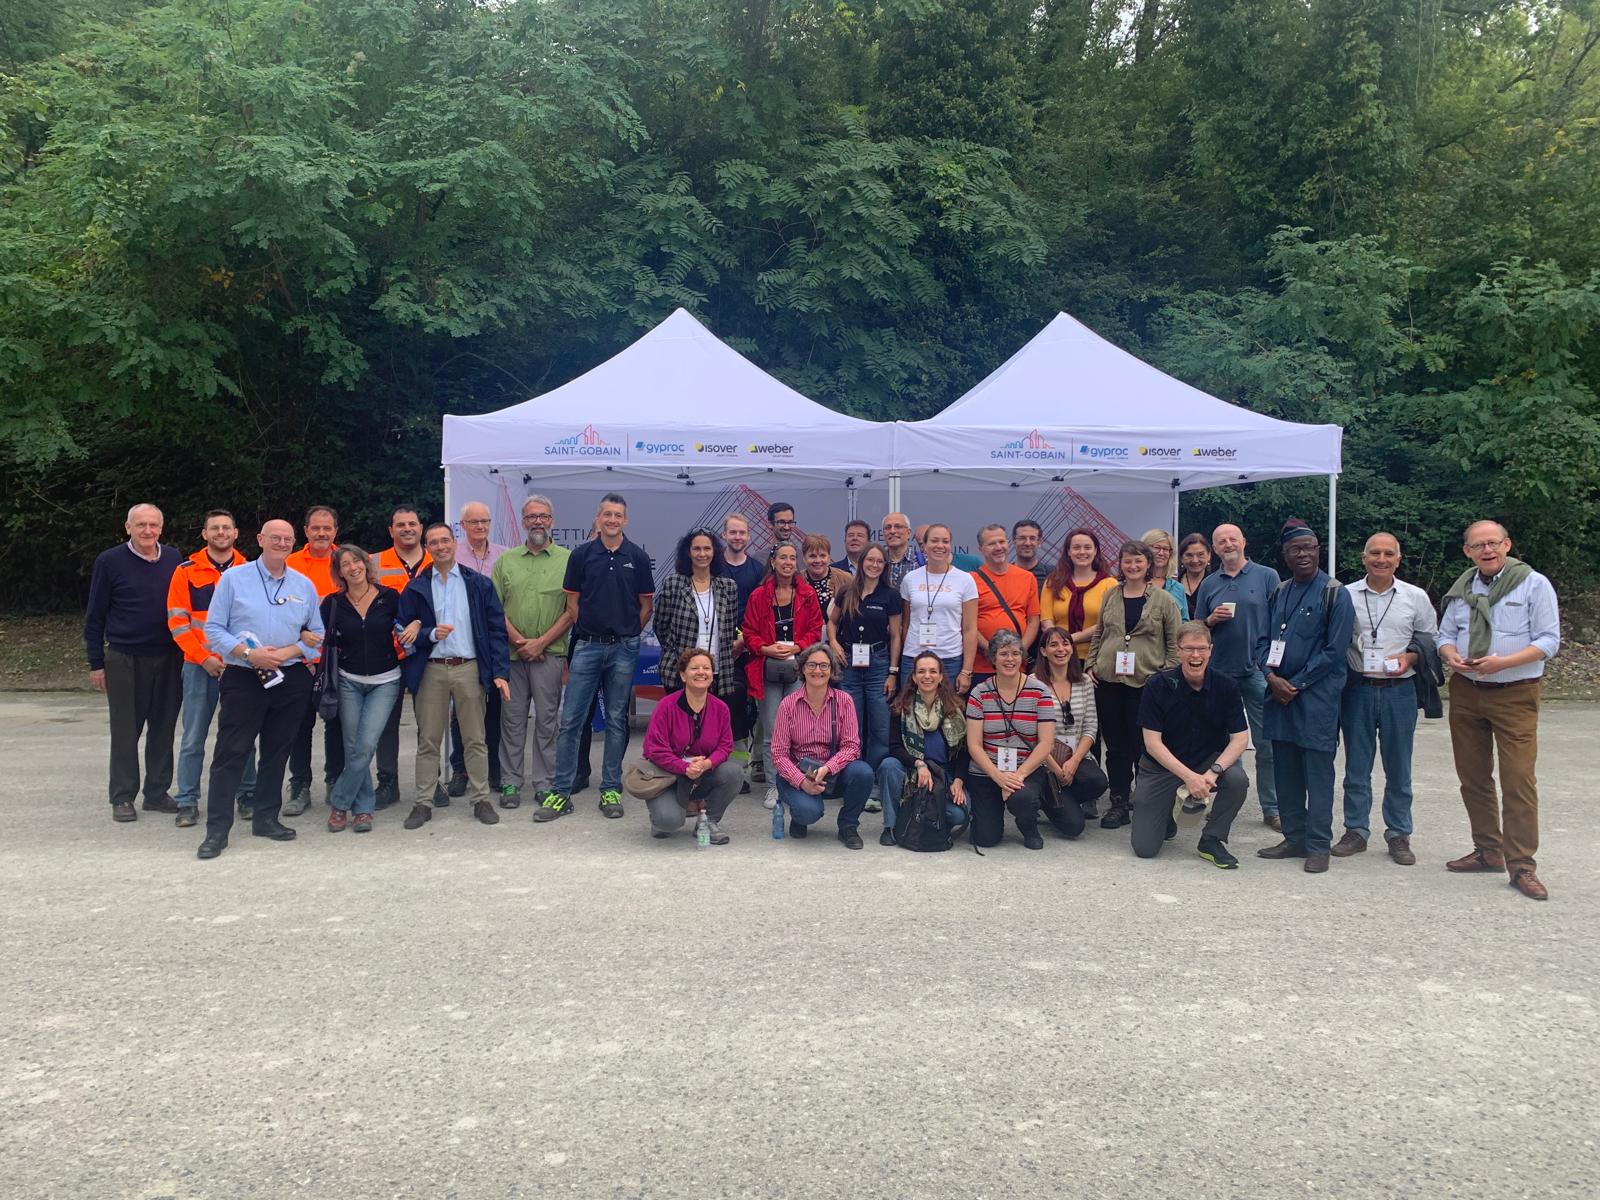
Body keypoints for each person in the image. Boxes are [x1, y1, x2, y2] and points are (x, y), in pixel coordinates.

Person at [1439, 521, 1561, 901]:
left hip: (1515, 692)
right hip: (1467, 690)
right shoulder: (1462, 589)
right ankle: (1488, 850)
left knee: (1518, 780)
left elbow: (1549, 640)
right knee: (1473, 777)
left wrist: (1503, 663)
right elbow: (1444, 634)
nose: (1487, 550)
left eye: (1493, 543)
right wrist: (1450, 656)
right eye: (1478, 545)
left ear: (1507, 545)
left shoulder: (1534, 584)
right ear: (1468, 552)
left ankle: (1522, 865)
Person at [195, 519, 324, 860]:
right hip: (244, 676)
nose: (281, 543)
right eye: (275, 537)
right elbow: (213, 630)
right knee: (231, 752)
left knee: (277, 750)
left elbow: (316, 636)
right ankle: (217, 831)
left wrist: (286, 652)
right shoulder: (233, 579)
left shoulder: (304, 585)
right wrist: (251, 654)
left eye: (287, 539)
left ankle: (266, 818)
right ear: (260, 540)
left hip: (290, 677)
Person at [536, 493, 655, 822]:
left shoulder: (638, 558)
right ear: (598, 519)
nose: (612, 520)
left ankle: (611, 789)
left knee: (617, 720)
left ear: (625, 520)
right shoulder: (582, 555)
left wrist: (628, 633)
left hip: (623, 648)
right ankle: (561, 792)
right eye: (607, 514)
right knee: (571, 719)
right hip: (587, 646)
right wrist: (592, 630)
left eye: (618, 515)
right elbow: (572, 603)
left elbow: (646, 607)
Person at [1255, 520, 1355, 874]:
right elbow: (1263, 641)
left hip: (1315, 699)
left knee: (1317, 773)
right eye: (1296, 549)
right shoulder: (1279, 592)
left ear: (1318, 549)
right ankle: (1294, 838)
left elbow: (1334, 651)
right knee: (1285, 771)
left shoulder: (1335, 593)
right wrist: (1269, 676)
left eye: (1309, 547)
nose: (1303, 554)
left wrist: (1293, 684)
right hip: (1278, 696)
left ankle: (1317, 845)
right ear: (1285, 555)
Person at [397, 523, 511, 830]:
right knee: (428, 740)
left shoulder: (478, 584)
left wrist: (500, 672)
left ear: (454, 542)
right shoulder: (416, 587)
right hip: (431, 669)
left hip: (469, 668)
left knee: (475, 738)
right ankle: (423, 803)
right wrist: (428, 633)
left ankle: (481, 799)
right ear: (427, 547)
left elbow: (497, 630)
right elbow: (402, 632)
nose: (439, 546)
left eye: (444, 540)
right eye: (432, 542)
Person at [1334, 532, 1438, 866]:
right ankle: (1356, 831)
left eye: (1388, 553)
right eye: (1374, 553)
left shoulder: (1415, 597)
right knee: (1356, 767)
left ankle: (1398, 834)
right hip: (1358, 689)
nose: (1381, 559)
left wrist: (1409, 659)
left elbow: (1429, 639)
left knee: (1399, 767)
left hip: (1399, 691)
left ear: (1398, 558)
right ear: (1363, 557)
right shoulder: (1345, 595)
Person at [85, 503, 184, 823]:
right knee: (126, 730)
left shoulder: (173, 558)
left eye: (153, 524)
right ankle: (123, 796)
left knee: (164, 727)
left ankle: (156, 792)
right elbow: (95, 616)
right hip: (125, 657)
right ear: (127, 527)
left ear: (161, 528)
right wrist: (96, 663)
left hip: (169, 656)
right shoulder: (110, 561)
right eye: (140, 524)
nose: (147, 530)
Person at [1131, 621, 1251, 867]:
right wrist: (1189, 778)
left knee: (1237, 779)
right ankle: (1167, 814)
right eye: (1189, 649)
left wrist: (1212, 772)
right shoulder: (1156, 685)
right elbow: (1152, 743)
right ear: (1178, 651)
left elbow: (1240, 739)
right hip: (1161, 767)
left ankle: (1212, 839)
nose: (1195, 655)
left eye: (1201, 649)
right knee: (1145, 848)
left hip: (1206, 762)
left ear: (1210, 650)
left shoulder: (1227, 686)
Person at [167, 510, 253, 827]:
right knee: (193, 737)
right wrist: (204, 657)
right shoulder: (185, 572)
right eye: (214, 528)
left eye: (226, 528)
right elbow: (177, 622)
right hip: (198, 666)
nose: (220, 532)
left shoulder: (250, 571)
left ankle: (247, 795)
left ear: (235, 533)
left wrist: (237, 656)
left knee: (244, 736)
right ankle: (187, 801)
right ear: (204, 534)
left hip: (239, 666)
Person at [1193, 523, 1282, 830]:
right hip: (1218, 675)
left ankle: (1272, 808)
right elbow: (1196, 630)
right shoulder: (1209, 583)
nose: (1228, 544)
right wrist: (1210, 620)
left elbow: (1278, 623)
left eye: (1232, 538)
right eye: (1221, 541)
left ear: (1244, 541)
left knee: (1267, 742)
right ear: (1214, 550)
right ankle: (1225, 803)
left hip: (1257, 672)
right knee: (1224, 745)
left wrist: (1271, 666)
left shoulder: (1267, 576)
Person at [1088, 540, 1182, 829]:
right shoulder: (1111, 595)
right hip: (1109, 682)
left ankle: (1147, 802)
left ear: (1148, 564)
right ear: (1121, 564)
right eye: (1127, 561)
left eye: (1138, 561)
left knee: (1145, 746)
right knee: (1116, 746)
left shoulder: (1164, 600)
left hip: (1147, 684)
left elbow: (1174, 642)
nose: (1133, 566)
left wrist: (1166, 676)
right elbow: (1100, 632)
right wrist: (1090, 663)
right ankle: (1118, 801)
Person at [321, 545, 414, 833]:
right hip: (348, 680)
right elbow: (315, 632)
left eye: (356, 561)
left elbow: (409, 622)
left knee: (365, 745)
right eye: (345, 564)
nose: (352, 567)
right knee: (352, 748)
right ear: (339, 572)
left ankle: (339, 802)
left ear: (366, 564)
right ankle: (363, 809)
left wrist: (418, 623)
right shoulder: (332, 603)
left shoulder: (389, 597)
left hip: (385, 681)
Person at [494, 495, 573, 809]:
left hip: (550, 655)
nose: (537, 521)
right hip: (513, 658)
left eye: (543, 516)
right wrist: (520, 642)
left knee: (547, 722)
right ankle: (511, 783)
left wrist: (540, 643)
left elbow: (571, 610)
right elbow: (495, 608)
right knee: (512, 722)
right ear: (524, 522)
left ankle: (545, 783)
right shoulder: (506, 560)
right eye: (531, 517)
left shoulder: (568, 560)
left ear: (552, 521)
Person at [770, 643, 875, 848]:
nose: (817, 670)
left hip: (832, 771)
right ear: (801, 669)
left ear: (832, 670)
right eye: (811, 665)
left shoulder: (844, 701)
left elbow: (852, 746)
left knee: (864, 773)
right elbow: (779, 754)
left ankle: (848, 826)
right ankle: (800, 817)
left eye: (824, 666)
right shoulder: (788, 705)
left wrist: (828, 768)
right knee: (809, 812)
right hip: (798, 773)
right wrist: (802, 781)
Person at [743, 543, 823, 809]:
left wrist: (799, 646)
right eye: (782, 558)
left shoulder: (807, 594)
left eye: (792, 558)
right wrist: (765, 648)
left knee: (798, 729)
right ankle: (773, 786)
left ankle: (797, 781)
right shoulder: (758, 595)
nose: (788, 562)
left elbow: (815, 629)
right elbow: (749, 630)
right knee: (772, 731)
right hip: (767, 668)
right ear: (773, 562)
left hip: (797, 668)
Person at [964, 630, 1057, 849]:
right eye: (1004, 654)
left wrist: (1017, 776)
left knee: (1022, 799)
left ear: (1022, 657)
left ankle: (1028, 823)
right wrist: (998, 777)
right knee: (985, 839)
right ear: (993, 658)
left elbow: (1046, 743)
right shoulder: (980, 693)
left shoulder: (1040, 691)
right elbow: (974, 745)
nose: (1010, 659)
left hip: (1025, 768)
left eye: (1015, 653)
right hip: (987, 770)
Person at [639, 648, 743, 842]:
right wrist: (684, 767)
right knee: (668, 823)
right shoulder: (666, 706)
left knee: (733, 772)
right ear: (682, 675)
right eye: (694, 668)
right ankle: (663, 814)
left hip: (702, 772)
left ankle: (708, 820)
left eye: (706, 668)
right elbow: (654, 749)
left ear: (712, 675)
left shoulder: (721, 708)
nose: (701, 672)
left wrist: (707, 764)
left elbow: (725, 746)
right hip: (668, 775)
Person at [448, 500, 511, 797]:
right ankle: (460, 769)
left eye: (484, 521)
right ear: (462, 526)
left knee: (494, 710)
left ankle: (494, 770)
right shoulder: (452, 555)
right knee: (462, 711)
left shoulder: (505, 556)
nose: (480, 526)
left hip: (496, 641)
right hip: (463, 645)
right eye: (473, 522)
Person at [877, 650, 971, 846]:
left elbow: (963, 751)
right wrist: (919, 765)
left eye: (932, 671)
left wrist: (959, 781)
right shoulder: (900, 707)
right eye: (921, 671)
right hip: (912, 770)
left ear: (941, 676)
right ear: (913, 676)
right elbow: (895, 748)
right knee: (888, 765)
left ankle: (924, 816)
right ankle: (891, 826)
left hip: (943, 775)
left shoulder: (955, 708)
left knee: (958, 815)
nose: (927, 676)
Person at [285, 504, 343, 816]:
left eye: (327, 528)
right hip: (299, 659)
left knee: (335, 722)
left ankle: (334, 780)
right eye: (315, 528)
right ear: (305, 531)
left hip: (335, 658)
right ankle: (300, 785)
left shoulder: (345, 562)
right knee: (299, 723)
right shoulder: (290, 563)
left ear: (335, 531)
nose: (321, 533)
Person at [374, 505, 434, 808]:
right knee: (386, 722)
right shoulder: (374, 563)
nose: (407, 529)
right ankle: (387, 782)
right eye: (400, 524)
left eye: (412, 523)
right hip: (386, 655)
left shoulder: (438, 559)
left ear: (421, 528)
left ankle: (432, 782)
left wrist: (421, 624)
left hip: (427, 653)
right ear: (391, 530)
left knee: (429, 721)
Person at [827, 542, 902, 774]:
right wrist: (834, 643)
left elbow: (897, 636)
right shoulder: (846, 592)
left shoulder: (890, 595)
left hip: (878, 665)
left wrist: (892, 672)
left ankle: (874, 785)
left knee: (879, 728)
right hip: (849, 664)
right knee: (851, 727)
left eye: (880, 561)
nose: (875, 565)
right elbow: (831, 622)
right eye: (870, 560)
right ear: (862, 563)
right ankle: (854, 779)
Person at [652, 528, 741, 714]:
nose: (702, 554)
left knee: (711, 731)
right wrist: (675, 653)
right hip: (681, 672)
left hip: (717, 672)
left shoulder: (728, 587)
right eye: (697, 549)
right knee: (681, 730)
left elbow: (730, 627)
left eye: (707, 549)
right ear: (688, 552)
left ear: (714, 552)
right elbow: (660, 626)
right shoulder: (673, 584)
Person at [1032, 625, 1109, 830]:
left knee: (1098, 781)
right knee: (1074, 827)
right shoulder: (1033, 684)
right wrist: (1056, 769)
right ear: (1043, 651)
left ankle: (1061, 797)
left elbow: (1091, 726)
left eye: (1065, 644)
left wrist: (1074, 761)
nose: (1060, 649)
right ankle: (1046, 796)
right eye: (1053, 645)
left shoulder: (1083, 681)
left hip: (1074, 756)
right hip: (1043, 760)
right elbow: (1030, 735)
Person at [898, 523, 978, 691]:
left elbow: (970, 628)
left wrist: (966, 671)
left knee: (948, 713)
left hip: (950, 658)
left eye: (945, 541)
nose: (940, 546)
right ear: (924, 546)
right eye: (934, 541)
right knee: (911, 712)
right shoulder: (910, 579)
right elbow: (905, 624)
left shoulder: (965, 580)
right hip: (913, 657)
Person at [970, 523, 1041, 685]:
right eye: (991, 543)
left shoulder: (1027, 578)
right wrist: (991, 650)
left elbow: (1033, 621)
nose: (998, 547)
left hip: (1017, 665)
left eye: (1002, 542)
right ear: (980, 548)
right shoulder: (971, 580)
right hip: (982, 666)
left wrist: (1018, 651)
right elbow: (968, 624)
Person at [1040, 528, 1116, 662]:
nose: (1082, 552)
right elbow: (1046, 620)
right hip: (1057, 658)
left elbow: (1107, 623)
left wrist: (1070, 639)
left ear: (1095, 551)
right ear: (1068, 552)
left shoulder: (1110, 584)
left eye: (1087, 547)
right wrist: (1060, 644)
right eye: (1076, 547)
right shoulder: (1053, 582)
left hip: (1096, 659)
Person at [801, 533, 852, 615]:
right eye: (812, 556)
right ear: (804, 558)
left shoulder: (847, 579)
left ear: (829, 557)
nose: (818, 560)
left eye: (822, 556)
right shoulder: (795, 580)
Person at [1140, 528, 1189, 613]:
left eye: (1166, 549)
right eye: (1157, 547)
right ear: (1145, 549)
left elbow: (1184, 621)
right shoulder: (1134, 584)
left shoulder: (1178, 588)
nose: (1161, 553)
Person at [880, 512, 924, 590]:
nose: (892, 531)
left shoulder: (923, 562)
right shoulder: (877, 563)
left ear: (908, 533)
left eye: (898, 526)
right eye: (888, 527)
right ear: (883, 534)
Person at [1176, 533, 1212, 620]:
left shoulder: (1216, 584)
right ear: (1181, 557)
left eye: (1200, 554)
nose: (1195, 560)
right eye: (1189, 555)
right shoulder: (1172, 584)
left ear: (1209, 555)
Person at [1011, 519, 1053, 587]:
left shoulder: (1053, 575)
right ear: (1014, 541)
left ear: (1039, 542)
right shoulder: (1004, 576)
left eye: (1032, 538)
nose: (1027, 543)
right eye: (1022, 538)